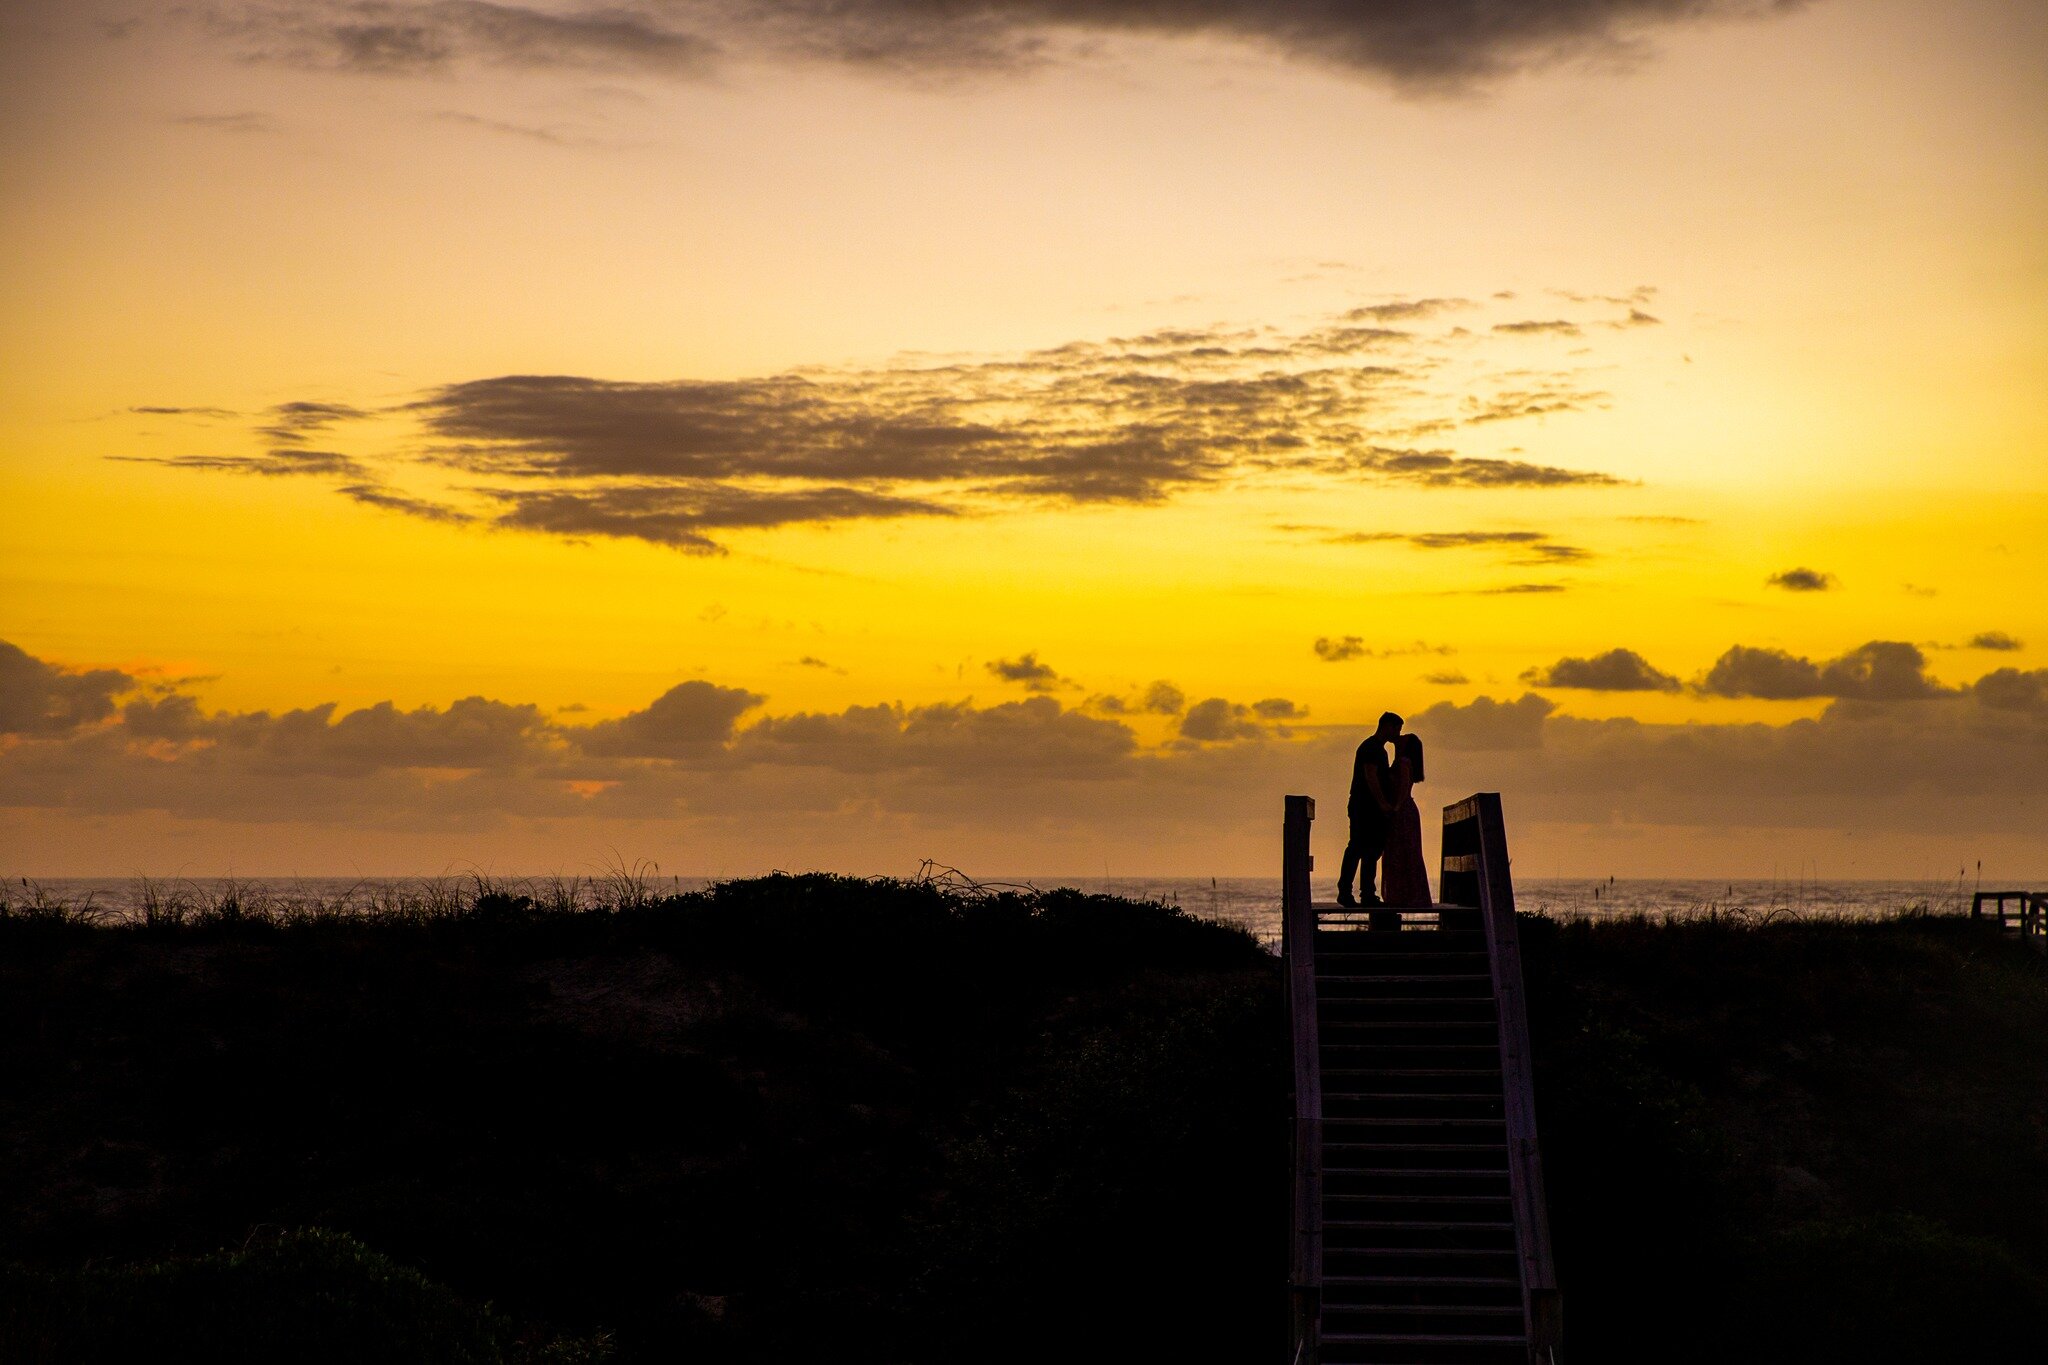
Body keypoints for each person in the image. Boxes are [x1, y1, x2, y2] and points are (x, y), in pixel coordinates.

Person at [1337, 711, 1402, 907]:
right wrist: (1382, 802)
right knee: (1357, 847)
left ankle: (1366, 893)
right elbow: (1370, 776)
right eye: (1397, 728)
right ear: (1387, 726)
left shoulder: (1378, 750)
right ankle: (1347, 892)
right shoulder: (1372, 748)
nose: (1397, 733)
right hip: (1364, 806)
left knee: (1371, 850)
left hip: (1367, 806)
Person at [1380, 733, 1432, 908]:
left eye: (1404, 737)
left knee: (1404, 851)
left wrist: (1395, 808)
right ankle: (1401, 895)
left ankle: (1406, 896)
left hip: (1401, 811)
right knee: (1400, 851)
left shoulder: (1403, 762)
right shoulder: (1400, 761)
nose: (1399, 736)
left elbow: (1403, 788)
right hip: (1404, 809)